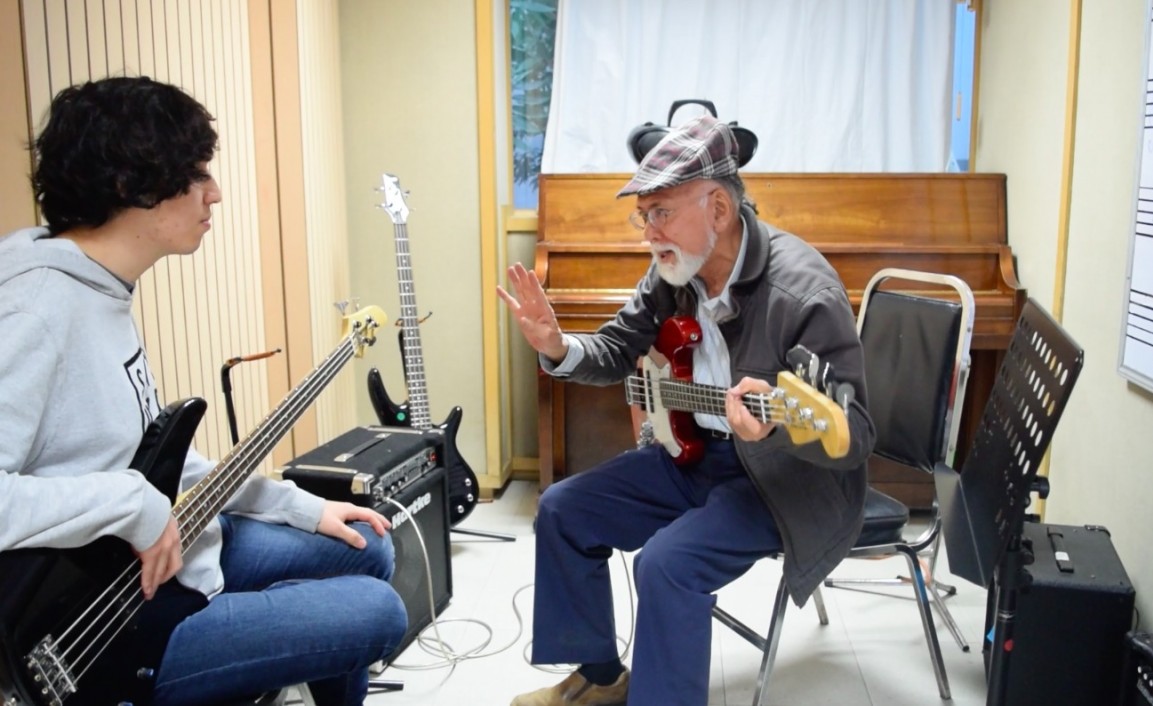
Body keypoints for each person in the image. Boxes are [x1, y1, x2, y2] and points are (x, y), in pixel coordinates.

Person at [0, 76, 407, 706]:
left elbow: (149, 461)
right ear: (128, 186)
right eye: (196, 174)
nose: (213, 194)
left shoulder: (101, 290)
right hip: (101, 634)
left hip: (165, 560)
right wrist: (133, 505)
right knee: (377, 608)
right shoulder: (35, 309)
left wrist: (300, 505)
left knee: (367, 546)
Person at [498, 115, 877, 706]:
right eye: (643, 215)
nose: (648, 232)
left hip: (776, 479)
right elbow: (619, 347)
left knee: (666, 564)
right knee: (562, 508)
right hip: (692, 454)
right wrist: (557, 346)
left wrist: (776, 429)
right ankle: (602, 679)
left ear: (719, 210)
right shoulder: (672, 272)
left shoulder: (804, 292)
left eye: (661, 213)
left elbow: (854, 435)